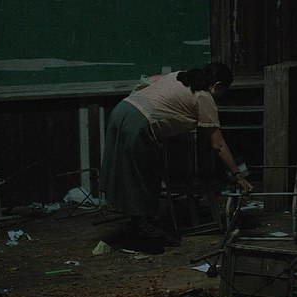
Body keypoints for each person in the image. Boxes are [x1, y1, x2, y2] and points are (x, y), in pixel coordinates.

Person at [100, 62, 253, 246]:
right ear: (217, 85)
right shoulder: (204, 98)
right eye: (223, 91)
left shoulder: (181, 75)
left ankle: (141, 223)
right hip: (138, 123)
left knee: (134, 171)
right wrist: (238, 175)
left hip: (121, 110)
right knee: (143, 175)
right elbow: (218, 145)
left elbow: (150, 80)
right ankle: (145, 229)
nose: (221, 96)